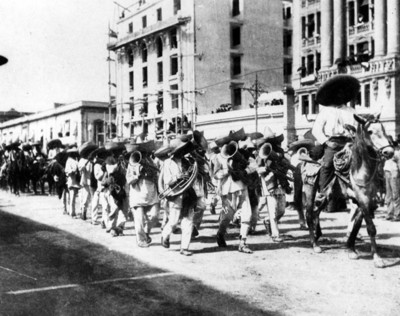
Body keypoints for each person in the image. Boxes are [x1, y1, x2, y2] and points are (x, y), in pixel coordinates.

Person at [312, 75, 359, 195]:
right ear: (333, 95)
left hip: (350, 143)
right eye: (337, 93)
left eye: (342, 93)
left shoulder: (351, 111)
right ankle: (323, 194)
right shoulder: (326, 111)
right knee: (327, 165)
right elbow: (316, 130)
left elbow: (358, 129)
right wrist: (327, 142)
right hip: (333, 143)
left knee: (359, 164)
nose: (340, 96)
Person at [214, 135, 254, 254]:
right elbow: (216, 174)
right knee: (227, 217)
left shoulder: (243, 155)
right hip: (227, 190)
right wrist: (226, 171)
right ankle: (220, 234)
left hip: (242, 187)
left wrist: (245, 171)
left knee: (247, 214)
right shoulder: (219, 157)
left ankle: (243, 242)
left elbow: (253, 166)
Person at [160, 137, 196, 256]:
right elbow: (167, 181)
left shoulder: (188, 161)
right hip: (175, 194)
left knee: (188, 221)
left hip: (188, 194)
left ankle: (184, 247)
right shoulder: (167, 163)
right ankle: (165, 235)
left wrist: (190, 174)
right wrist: (179, 177)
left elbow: (193, 176)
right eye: (181, 149)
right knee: (173, 221)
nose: (183, 152)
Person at [126, 148, 160, 247]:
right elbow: (129, 180)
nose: (143, 156)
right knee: (139, 219)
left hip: (151, 194)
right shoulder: (131, 164)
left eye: (145, 154)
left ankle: (146, 231)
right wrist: (137, 175)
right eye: (142, 154)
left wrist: (151, 173)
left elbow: (157, 175)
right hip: (137, 195)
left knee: (154, 216)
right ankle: (141, 240)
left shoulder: (151, 162)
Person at [101, 156, 127, 236]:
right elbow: (104, 182)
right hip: (113, 192)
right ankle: (112, 227)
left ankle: (119, 228)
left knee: (123, 210)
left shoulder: (122, 162)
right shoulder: (109, 162)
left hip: (121, 190)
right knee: (115, 209)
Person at [383, 138, 400, 221]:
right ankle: (389, 213)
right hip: (387, 172)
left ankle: (397, 214)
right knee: (389, 194)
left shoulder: (397, 153)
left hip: (394, 173)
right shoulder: (390, 151)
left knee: (395, 194)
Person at [64, 147, 81, 218]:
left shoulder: (76, 160)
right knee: (72, 198)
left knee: (74, 198)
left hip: (77, 181)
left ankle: (73, 211)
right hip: (72, 181)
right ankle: (72, 212)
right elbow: (67, 171)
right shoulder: (69, 161)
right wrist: (73, 171)